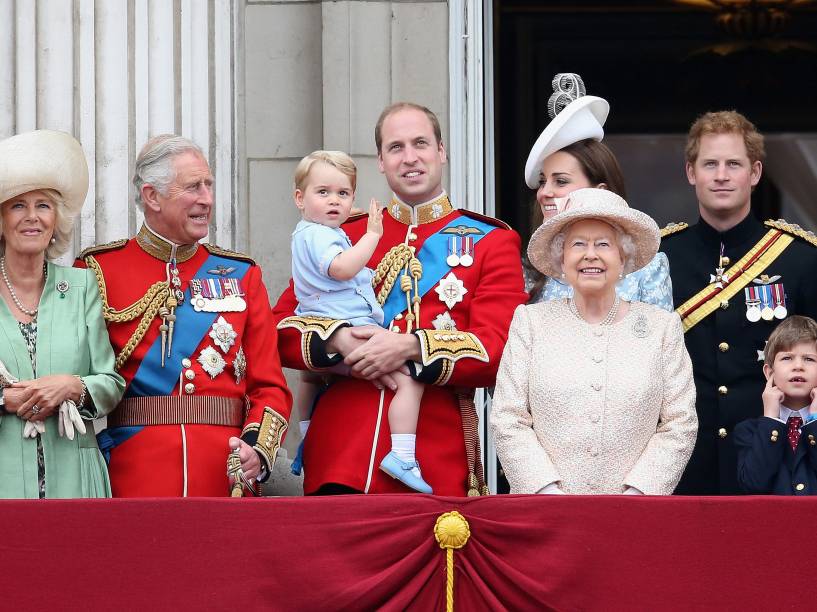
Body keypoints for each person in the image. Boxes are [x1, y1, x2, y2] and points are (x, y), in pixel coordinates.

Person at [275, 102, 527, 496]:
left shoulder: (490, 241)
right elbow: (279, 329)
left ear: (441, 152)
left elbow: (499, 351)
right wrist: (336, 340)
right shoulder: (345, 234)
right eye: (396, 147)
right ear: (380, 160)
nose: (409, 157)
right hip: (339, 455)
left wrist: (409, 346)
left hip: (433, 460)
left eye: (420, 144)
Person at [76, 134, 292, 497]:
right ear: (152, 196)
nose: (207, 199)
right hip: (133, 474)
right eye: (193, 187)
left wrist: (257, 448)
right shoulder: (97, 270)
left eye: (208, 185)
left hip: (224, 475)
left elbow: (269, 386)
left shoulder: (241, 274)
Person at [490, 188, 697, 495]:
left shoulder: (661, 328)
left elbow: (679, 423)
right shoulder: (530, 323)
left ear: (623, 257)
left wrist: (638, 494)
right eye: (578, 245)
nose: (590, 254)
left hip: (635, 514)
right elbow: (508, 417)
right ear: (562, 258)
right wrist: (547, 492)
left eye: (603, 244)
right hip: (545, 513)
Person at [662, 111, 817, 495]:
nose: (721, 175)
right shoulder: (661, 258)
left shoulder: (799, 259)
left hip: (773, 458)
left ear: (755, 172)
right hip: (682, 459)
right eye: (709, 164)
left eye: (734, 164)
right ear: (690, 172)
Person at [289, 150, 430, 493]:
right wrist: (372, 235)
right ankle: (403, 455)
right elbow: (340, 270)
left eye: (343, 193)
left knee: (311, 379)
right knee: (410, 381)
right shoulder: (330, 234)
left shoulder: (311, 230)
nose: (335, 201)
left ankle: (306, 437)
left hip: (321, 320)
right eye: (323, 193)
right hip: (349, 325)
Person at [0, 129, 125, 498]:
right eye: (18, 205)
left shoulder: (82, 286)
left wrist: (72, 386)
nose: (32, 217)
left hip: (76, 477)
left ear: (56, 219)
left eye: (43, 205)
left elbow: (111, 384)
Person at [524, 73, 672, 309]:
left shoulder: (648, 268)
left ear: (601, 191)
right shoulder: (529, 272)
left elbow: (661, 343)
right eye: (543, 182)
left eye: (560, 181)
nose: (544, 193)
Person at [734, 316, 817, 495]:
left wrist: (814, 420)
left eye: (809, 359)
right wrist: (771, 418)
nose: (798, 366)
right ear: (769, 372)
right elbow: (754, 483)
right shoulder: (748, 431)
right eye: (787, 358)